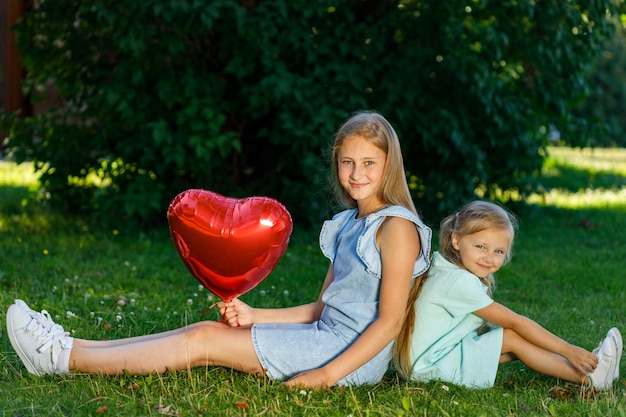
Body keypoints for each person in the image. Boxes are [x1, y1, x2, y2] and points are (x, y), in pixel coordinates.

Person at [6, 110, 432, 389]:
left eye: (368, 163)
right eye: (347, 162)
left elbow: (389, 323)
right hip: (324, 336)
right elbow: (323, 307)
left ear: (388, 165)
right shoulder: (348, 224)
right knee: (210, 331)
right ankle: (71, 345)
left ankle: (61, 360)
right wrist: (256, 316)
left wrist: (325, 375)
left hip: (350, 357)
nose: (355, 173)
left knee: (206, 340)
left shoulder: (396, 228)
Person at [400, 200, 622, 390]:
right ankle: (588, 377)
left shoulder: (444, 264)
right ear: (456, 240)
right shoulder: (458, 282)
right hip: (429, 366)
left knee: (512, 341)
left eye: (498, 251)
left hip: (427, 360)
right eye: (480, 246)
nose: (489, 257)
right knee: (512, 336)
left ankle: (589, 368)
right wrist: (569, 349)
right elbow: (515, 322)